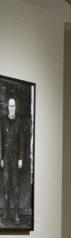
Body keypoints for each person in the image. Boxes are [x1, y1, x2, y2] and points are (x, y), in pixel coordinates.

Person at [1, 96, 27, 224]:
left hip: (15, 158)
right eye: (10, 106)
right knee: (6, 186)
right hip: (5, 158)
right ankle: (6, 213)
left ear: (16, 108)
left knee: (15, 186)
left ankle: (16, 214)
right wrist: (0, 157)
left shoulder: (19, 121)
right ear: (8, 107)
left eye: (14, 106)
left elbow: (22, 141)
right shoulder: (3, 120)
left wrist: (21, 158)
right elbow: (0, 140)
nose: (12, 108)